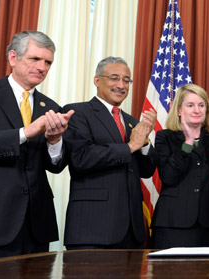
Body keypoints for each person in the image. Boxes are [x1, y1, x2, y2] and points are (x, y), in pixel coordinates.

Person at [0, 31, 74, 259]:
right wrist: (25, 132)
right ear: (13, 58)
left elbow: (55, 166)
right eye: (35, 59)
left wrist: (54, 142)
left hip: (36, 224)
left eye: (48, 62)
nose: (42, 67)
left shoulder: (51, 106)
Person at [62, 57, 158, 249]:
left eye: (126, 80)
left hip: (132, 231)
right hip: (93, 228)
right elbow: (81, 158)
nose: (121, 85)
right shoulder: (77, 112)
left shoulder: (132, 122)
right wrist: (130, 147)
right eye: (114, 78)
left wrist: (145, 142)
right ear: (97, 80)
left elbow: (146, 171)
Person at [151, 84, 209, 248]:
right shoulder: (165, 137)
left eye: (201, 105)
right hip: (173, 223)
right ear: (179, 110)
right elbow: (168, 177)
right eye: (190, 105)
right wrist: (187, 143)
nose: (197, 110)